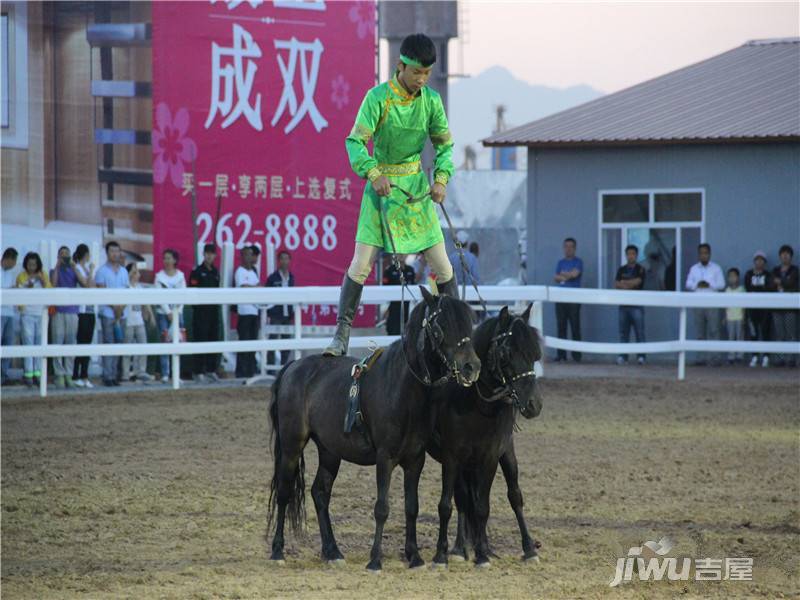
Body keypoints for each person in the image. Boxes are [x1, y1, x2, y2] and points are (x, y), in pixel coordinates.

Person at [323, 33, 457, 357]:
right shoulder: (377, 98)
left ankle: (454, 333)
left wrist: (441, 179)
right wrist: (373, 171)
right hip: (381, 188)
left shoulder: (432, 101)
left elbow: (445, 147)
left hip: (416, 192)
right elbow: (355, 142)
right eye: (416, 73)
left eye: (427, 73)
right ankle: (341, 334)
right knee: (360, 264)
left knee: (444, 266)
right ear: (401, 66)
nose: (422, 79)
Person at [94, 241, 129, 387]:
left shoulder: (124, 271)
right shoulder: (102, 271)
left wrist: (120, 308)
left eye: (117, 251)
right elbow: (102, 292)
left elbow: (127, 291)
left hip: (122, 313)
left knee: (119, 343)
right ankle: (107, 375)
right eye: (112, 251)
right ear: (107, 253)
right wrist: (114, 307)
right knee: (108, 343)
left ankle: (115, 375)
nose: (115, 253)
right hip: (108, 313)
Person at [15, 252, 52, 387]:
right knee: (28, 343)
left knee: (39, 343)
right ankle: (28, 374)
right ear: (26, 264)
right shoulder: (22, 276)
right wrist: (28, 282)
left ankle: (38, 373)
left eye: (34, 264)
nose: (32, 267)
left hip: (41, 314)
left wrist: (42, 280)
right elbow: (19, 290)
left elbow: (50, 290)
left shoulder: (43, 275)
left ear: (38, 265)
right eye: (30, 264)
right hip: (27, 314)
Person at [685, 243, 725, 365]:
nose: (704, 255)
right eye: (701, 253)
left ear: (709, 254)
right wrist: (697, 284)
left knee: (714, 331)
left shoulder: (716, 268)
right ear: (698, 255)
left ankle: (715, 359)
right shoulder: (694, 269)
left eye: (706, 253)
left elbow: (722, 284)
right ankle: (700, 359)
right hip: (698, 303)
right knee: (700, 332)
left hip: (712, 303)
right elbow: (688, 284)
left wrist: (709, 285)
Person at [189, 243, 221, 382]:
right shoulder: (197, 271)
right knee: (200, 340)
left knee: (213, 339)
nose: (209, 256)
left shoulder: (216, 272)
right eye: (207, 253)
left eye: (212, 253)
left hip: (213, 312)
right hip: (200, 313)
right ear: (203, 254)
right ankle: (198, 371)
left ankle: (211, 369)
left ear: (215, 255)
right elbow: (192, 290)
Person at [154, 249, 186, 383]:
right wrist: (167, 312)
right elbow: (159, 296)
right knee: (165, 342)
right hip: (163, 315)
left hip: (178, 314)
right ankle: (165, 373)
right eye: (164, 258)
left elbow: (183, 295)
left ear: (175, 260)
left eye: (169, 258)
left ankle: (176, 373)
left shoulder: (180, 276)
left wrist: (176, 313)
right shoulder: (159, 277)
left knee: (179, 343)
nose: (166, 261)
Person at [51, 245, 80, 388]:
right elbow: (53, 284)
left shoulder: (74, 270)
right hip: (58, 311)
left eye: (66, 255)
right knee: (57, 342)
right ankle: (59, 375)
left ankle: (69, 374)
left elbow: (85, 283)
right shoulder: (54, 270)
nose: (64, 257)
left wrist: (74, 267)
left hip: (72, 311)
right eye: (61, 255)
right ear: (58, 257)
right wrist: (57, 266)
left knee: (70, 343)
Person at [614, 245, 647, 365]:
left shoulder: (640, 269)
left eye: (633, 254)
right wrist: (628, 284)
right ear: (626, 255)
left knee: (640, 332)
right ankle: (623, 356)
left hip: (636, 305)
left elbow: (638, 282)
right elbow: (617, 284)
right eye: (629, 254)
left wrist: (625, 283)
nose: (631, 256)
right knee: (623, 332)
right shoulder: (621, 269)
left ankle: (641, 356)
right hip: (623, 305)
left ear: (636, 255)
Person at [121, 264, 154, 382]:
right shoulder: (125, 287)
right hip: (128, 322)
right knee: (127, 348)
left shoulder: (140, 287)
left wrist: (150, 316)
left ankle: (141, 371)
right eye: (134, 272)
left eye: (137, 272)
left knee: (143, 346)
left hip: (139, 321)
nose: (137, 275)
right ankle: (125, 373)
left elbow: (146, 304)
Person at [553, 237, 583, 362]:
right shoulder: (560, 262)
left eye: (571, 246)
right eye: (566, 246)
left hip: (574, 299)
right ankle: (561, 355)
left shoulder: (578, 262)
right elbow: (555, 277)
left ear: (575, 248)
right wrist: (568, 275)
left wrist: (564, 275)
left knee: (575, 326)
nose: (568, 249)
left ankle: (576, 356)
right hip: (560, 298)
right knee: (561, 326)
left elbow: (575, 274)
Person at [744, 250, 774, 368]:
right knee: (753, 331)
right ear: (754, 261)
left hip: (765, 307)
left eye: (761, 260)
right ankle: (754, 356)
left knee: (766, 330)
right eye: (757, 259)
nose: (759, 262)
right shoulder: (748, 274)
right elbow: (748, 287)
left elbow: (769, 288)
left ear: (765, 262)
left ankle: (766, 356)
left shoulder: (768, 274)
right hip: (752, 307)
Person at [72, 244, 96, 388]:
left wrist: (90, 272)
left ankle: (84, 375)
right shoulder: (78, 268)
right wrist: (92, 271)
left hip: (91, 310)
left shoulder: (85, 269)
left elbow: (93, 286)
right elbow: (86, 284)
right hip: (82, 311)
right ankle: (76, 375)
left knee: (87, 343)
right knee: (81, 342)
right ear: (85, 254)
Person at [265, 249, 295, 367]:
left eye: (287, 258)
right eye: (282, 258)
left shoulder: (291, 277)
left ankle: (284, 367)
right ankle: (270, 367)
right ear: (278, 261)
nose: (284, 261)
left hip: (287, 314)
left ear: (290, 260)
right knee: (273, 341)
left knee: (286, 342)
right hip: (275, 315)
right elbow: (267, 296)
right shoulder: (272, 278)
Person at [235, 245, 260, 378]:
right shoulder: (240, 271)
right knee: (244, 342)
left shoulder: (253, 271)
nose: (248, 257)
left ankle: (251, 370)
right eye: (245, 254)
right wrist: (256, 287)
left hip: (255, 311)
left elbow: (258, 287)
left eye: (250, 254)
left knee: (253, 342)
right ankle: (241, 371)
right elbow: (243, 286)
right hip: (244, 312)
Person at [771, 244, 798, 367]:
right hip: (777, 307)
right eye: (783, 254)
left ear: (791, 257)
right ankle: (780, 359)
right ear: (780, 256)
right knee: (779, 333)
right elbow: (770, 284)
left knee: (790, 334)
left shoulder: (795, 270)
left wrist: (781, 282)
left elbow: (791, 283)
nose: (785, 256)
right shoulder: (775, 270)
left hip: (790, 308)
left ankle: (790, 359)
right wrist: (781, 282)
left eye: (787, 254)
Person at [382, 253, 415, 335]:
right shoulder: (389, 270)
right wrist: (386, 309)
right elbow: (383, 289)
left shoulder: (410, 270)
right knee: (393, 331)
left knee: (407, 332)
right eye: (399, 253)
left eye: (404, 253)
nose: (402, 255)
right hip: (393, 307)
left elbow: (414, 287)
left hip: (407, 306)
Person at [1, 247, 20, 385]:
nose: (15, 265)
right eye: (14, 261)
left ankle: (3, 373)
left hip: (9, 313)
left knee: (8, 343)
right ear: (8, 259)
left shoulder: (10, 273)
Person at [723, 268, 746, 365]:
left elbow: (745, 304)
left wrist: (744, 316)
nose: (732, 278)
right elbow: (725, 305)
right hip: (729, 317)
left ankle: (739, 356)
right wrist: (724, 317)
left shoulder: (742, 289)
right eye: (730, 276)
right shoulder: (727, 290)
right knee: (731, 337)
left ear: (738, 277)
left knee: (739, 337)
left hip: (739, 316)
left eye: (734, 276)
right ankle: (731, 356)